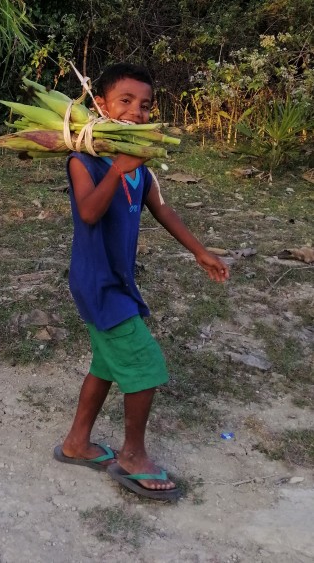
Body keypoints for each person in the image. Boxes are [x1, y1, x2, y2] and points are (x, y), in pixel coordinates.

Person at [54, 62, 229, 500]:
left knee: (106, 364)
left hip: (118, 280)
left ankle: (77, 443)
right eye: (125, 102)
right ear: (101, 105)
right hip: (97, 283)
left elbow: (162, 209)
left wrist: (199, 250)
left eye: (145, 105)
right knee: (145, 364)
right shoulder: (84, 161)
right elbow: (89, 212)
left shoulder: (142, 168)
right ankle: (132, 455)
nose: (137, 111)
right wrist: (116, 168)